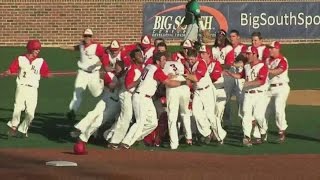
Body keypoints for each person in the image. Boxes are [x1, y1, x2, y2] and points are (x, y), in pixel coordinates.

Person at [120, 52, 186, 149]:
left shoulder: (150, 66)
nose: (165, 62)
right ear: (158, 61)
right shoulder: (156, 70)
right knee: (140, 122)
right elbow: (170, 83)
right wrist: (184, 82)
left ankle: (134, 138)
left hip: (147, 98)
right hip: (141, 97)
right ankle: (126, 142)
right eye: (163, 60)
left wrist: (167, 76)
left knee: (153, 123)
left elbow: (158, 77)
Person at [72, 60, 125, 154]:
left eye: (118, 67)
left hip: (115, 104)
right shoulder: (111, 75)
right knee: (93, 113)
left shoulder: (125, 75)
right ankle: (80, 128)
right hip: (107, 97)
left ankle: (83, 138)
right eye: (115, 67)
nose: (116, 68)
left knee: (98, 121)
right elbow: (110, 85)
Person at [4, 40, 51, 137]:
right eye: (36, 49)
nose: (38, 51)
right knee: (18, 107)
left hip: (33, 89)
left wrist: (47, 75)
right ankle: (13, 126)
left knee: (31, 113)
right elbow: (12, 68)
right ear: (30, 49)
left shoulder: (40, 61)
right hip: (21, 87)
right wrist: (8, 71)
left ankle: (23, 129)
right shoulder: (20, 59)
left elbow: (45, 72)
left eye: (38, 49)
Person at [225, 46, 269, 147]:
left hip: (259, 94)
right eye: (247, 54)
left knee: (258, 116)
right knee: (246, 116)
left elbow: (261, 81)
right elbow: (241, 75)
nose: (247, 56)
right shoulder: (247, 66)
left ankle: (263, 130)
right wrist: (230, 74)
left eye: (249, 54)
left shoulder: (262, 66)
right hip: (248, 95)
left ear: (255, 54)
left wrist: (248, 84)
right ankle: (247, 137)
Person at [184, 49, 227, 144]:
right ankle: (207, 132)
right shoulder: (189, 64)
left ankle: (221, 135)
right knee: (196, 113)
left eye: (192, 59)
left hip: (207, 90)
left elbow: (195, 78)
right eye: (189, 59)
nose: (190, 61)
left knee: (210, 115)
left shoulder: (201, 63)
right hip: (197, 91)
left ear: (196, 57)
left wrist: (184, 76)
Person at [67, 28, 108, 121]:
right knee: (77, 92)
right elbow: (76, 48)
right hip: (82, 72)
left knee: (96, 94)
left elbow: (103, 56)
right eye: (85, 36)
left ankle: (101, 84)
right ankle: (72, 111)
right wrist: (65, 47)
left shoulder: (96, 46)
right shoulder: (81, 45)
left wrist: (100, 62)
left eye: (89, 36)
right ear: (83, 36)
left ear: (91, 37)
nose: (87, 38)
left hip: (93, 74)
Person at [107, 49, 144, 149]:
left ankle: (111, 138)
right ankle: (114, 141)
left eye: (141, 54)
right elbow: (128, 85)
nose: (141, 56)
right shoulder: (133, 69)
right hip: (126, 94)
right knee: (126, 117)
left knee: (124, 117)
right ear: (133, 59)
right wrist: (138, 81)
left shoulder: (138, 68)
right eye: (138, 55)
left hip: (129, 94)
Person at [163, 53, 192, 149]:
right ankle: (189, 137)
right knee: (185, 113)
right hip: (184, 87)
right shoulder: (180, 64)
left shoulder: (165, 65)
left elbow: (166, 79)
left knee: (172, 116)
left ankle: (174, 144)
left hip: (173, 88)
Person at [265, 41, 290, 143]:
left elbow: (277, 71)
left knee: (279, 110)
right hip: (269, 88)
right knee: (264, 111)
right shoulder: (267, 60)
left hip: (281, 88)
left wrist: (265, 70)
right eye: (269, 48)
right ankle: (262, 133)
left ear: (277, 49)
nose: (269, 50)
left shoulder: (283, 60)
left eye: (271, 48)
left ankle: (281, 131)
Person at [211, 29, 235, 127]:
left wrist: (216, 66)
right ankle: (216, 122)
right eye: (218, 36)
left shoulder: (229, 48)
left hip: (227, 76)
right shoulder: (214, 49)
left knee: (225, 99)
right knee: (214, 98)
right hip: (216, 75)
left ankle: (227, 121)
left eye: (221, 36)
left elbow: (228, 65)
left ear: (225, 38)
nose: (219, 38)